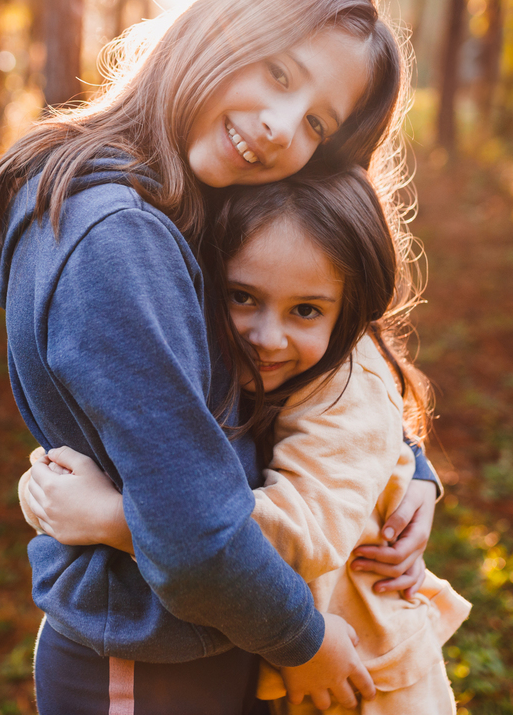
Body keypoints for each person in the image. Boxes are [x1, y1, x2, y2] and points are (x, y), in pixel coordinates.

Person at [0, 0, 438, 715]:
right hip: (150, 663)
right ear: (217, 28)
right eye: (280, 74)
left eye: (317, 122)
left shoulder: (178, 198)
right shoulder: (119, 240)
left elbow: (290, 361)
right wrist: (305, 641)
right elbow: (194, 538)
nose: (281, 128)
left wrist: (406, 463)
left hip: (208, 642)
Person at [24, 170, 471, 715]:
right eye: (242, 297)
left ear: (349, 311)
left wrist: (114, 519)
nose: (268, 337)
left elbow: (296, 535)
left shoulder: (350, 389)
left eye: (305, 310)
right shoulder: (278, 370)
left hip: (360, 681)